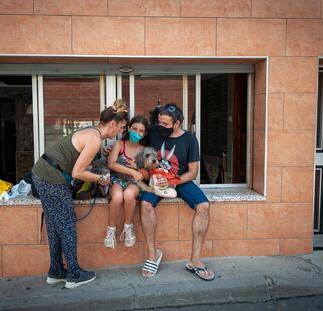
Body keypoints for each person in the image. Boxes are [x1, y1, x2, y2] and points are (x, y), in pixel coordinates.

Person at [31, 100, 129, 289]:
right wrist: (101, 179)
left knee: (54, 225)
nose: (120, 132)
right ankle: (74, 274)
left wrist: (101, 154)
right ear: (112, 124)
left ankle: (56, 271)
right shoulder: (94, 139)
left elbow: (78, 158)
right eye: (121, 127)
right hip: (52, 178)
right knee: (66, 224)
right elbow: (78, 173)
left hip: (42, 174)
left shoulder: (91, 131)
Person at [140, 103, 214, 281]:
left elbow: (193, 172)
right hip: (156, 180)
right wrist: (114, 149)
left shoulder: (189, 139)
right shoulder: (154, 131)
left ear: (177, 123)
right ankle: (152, 254)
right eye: (159, 122)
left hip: (180, 181)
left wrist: (173, 182)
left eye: (165, 124)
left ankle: (195, 260)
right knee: (145, 204)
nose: (160, 127)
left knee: (204, 206)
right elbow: (134, 143)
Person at [104, 116, 149, 249]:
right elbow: (111, 164)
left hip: (133, 183)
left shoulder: (144, 150)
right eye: (134, 129)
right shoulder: (119, 144)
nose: (137, 133)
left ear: (144, 133)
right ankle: (111, 230)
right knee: (117, 197)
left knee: (129, 195)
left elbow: (145, 176)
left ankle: (128, 227)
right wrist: (132, 171)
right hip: (117, 179)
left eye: (141, 131)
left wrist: (137, 168)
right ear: (128, 128)